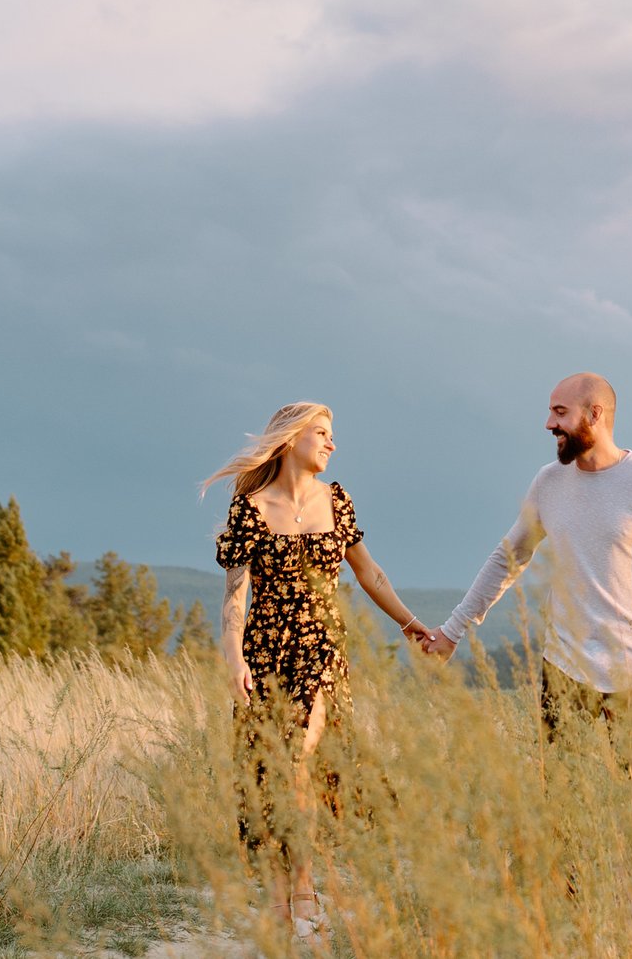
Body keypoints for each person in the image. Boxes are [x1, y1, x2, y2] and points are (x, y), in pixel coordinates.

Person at [204, 401, 431, 936]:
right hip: (266, 650)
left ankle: (304, 880)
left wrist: (410, 624)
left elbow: (369, 573)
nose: (332, 444)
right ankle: (280, 893)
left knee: (302, 756)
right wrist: (233, 656)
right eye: (323, 433)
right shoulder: (250, 507)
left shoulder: (338, 500)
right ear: (290, 440)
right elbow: (235, 595)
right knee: (271, 767)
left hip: (322, 651)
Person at [421, 373, 632, 733]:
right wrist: (453, 630)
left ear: (595, 414)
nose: (549, 424)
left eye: (560, 413)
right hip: (562, 670)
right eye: (550, 413)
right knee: (559, 788)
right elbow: (507, 559)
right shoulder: (548, 483)